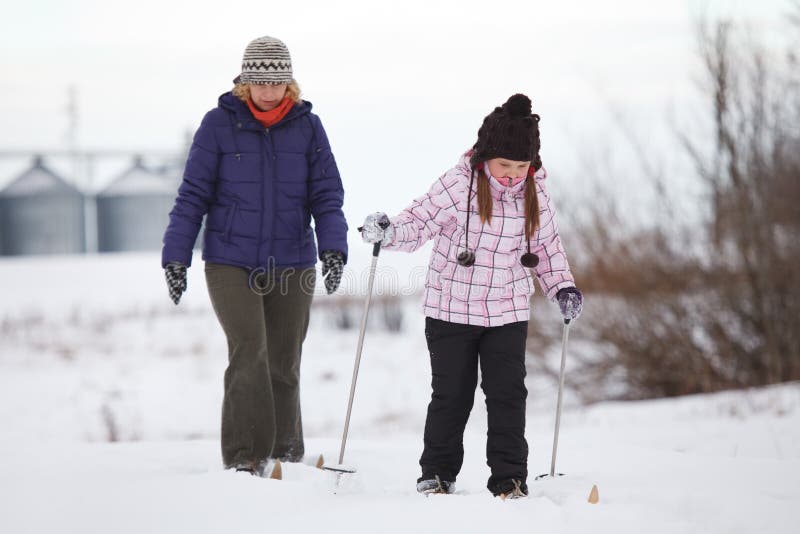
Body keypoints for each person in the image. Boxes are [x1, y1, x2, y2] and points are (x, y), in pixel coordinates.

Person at [360, 94, 582, 498]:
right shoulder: (458, 184)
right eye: (504, 165)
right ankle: (437, 473)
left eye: (521, 167)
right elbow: (420, 220)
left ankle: (510, 477)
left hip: (507, 312)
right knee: (452, 395)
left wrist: (562, 287)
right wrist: (388, 231)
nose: (513, 175)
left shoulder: (537, 195)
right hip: (450, 311)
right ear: (484, 157)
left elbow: (548, 249)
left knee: (508, 395)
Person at [161, 35, 348, 475]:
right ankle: (245, 456)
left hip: (293, 259)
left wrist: (334, 248)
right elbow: (192, 196)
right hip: (231, 259)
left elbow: (326, 195)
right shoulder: (218, 124)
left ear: (290, 83)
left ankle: (285, 453)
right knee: (249, 351)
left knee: (284, 359)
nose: (268, 91)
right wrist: (176, 256)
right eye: (260, 82)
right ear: (245, 82)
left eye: (277, 82)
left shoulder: (307, 127)